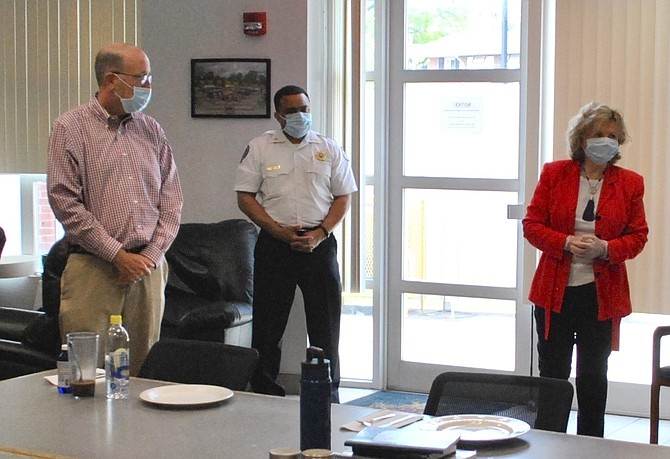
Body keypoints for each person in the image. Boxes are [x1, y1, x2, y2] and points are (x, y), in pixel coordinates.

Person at [47, 43, 183, 376]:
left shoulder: (151, 129)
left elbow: (172, 200)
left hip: (147, 271)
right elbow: (64, 200)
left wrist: (148, 256)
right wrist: (118, 256)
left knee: (141, 371)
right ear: (112, 80)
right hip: (93, 268)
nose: (148, 86)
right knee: (85, 373)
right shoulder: (70, 128)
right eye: (142, 78)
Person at [523, 102, 648, 437]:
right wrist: (565, 242)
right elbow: (532, 225)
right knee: (553, 373)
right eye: (598, 134)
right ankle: (549, 443)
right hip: (554, 293)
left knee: (594, 375)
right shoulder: (554, 173)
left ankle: (592, 446)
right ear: (582, 138)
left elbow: (638, 236)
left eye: (612, 136)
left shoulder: (631, 183)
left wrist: (606, 248)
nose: (605, 141)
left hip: (601, 296)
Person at [235, 85, 358, 402]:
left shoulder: (327, 148)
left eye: (304, 108)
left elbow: (343, 196)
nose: (299, 115)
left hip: (319, 243)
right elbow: (245, 197)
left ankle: (328, 392)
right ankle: (264, 391)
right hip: (276, 245)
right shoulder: (261, 147)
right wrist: (277, 231)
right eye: (291, 110)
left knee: (326, 325)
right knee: (267, 326)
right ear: (278, 114)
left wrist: (321, 232)